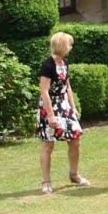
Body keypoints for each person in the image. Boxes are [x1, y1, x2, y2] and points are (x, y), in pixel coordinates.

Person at [36, 31, 88, 195]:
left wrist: (73, 107)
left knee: (75, 139)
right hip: (50, 106)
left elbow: (68, 86)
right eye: (69, 44)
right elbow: (44, 91)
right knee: (48, 144)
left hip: (64, 105)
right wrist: (50, 115)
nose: (71, 47)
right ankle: (46, 182)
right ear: (62, 46)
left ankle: (74, 174)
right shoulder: (47, 65)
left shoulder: (65, 63)